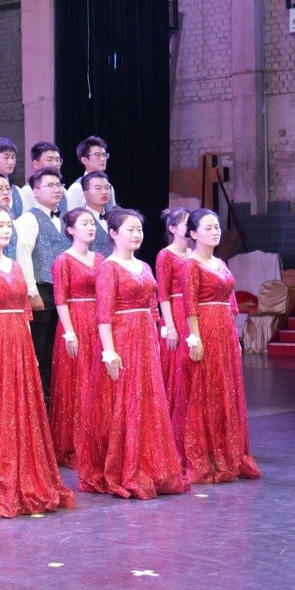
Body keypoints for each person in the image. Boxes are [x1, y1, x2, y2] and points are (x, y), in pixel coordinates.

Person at [0, 203, 74, 517]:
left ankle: (28, 476)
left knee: (22, 408)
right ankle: (0, 480)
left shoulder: (13, 265)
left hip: (18, 343)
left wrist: (30, 353)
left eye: (8, 225)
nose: (6, 230)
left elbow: (25, 312)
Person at [85, 208, 188, 500]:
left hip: (145, 339)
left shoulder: (143, 266)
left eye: (139, 230)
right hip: (122, 338)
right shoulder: (109, 267)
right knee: (125, 400)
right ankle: (125, 466)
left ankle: (150, 463)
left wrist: (158, 335)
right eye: (129, 230)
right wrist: (109, 352)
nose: (136, 235)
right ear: (113, 234)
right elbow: (103, 314)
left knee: (147, 399)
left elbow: (153, 307)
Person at [179, 209, 261, 483]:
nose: (215, 232)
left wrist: (235, 337)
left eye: (216, 227)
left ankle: (230, 451)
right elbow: (189, 305)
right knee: (208, 389)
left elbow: (232, 304)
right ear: (193, 234)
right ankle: (208, 454)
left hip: (224, 332)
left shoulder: (220, 262)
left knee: (227, 388)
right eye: (208, 228)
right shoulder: (190, 265)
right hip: (206, 329)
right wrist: (195, 338)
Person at [49, 208, 104, 469]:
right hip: (76, 320)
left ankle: (99, 438)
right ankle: (75, 442)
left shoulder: (100, 259)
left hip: (98, 320)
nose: (91, 227)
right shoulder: (63, 260)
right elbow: (60, 299)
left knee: (98, 378)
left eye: (92, 223)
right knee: (78, 379)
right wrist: (69, 331)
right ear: (71, 230)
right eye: (84, 223)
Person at [14, 167, 72, 397]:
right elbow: (23, 254)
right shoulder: (29, 219)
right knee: (42, 345)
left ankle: (59, 395)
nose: (56, 189)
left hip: (64, 291)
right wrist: (31, 291)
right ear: (36, 192)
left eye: (58, 185)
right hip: (42, 289)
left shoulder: (67, 218)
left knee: (60, 345)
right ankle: (43, 397)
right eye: (50, 185)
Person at [155, 207, 191, 460]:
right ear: (172, 228)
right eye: (185, 223)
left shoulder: (195, 253)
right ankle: (172, 433)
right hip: (176, 314)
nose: (190, 227)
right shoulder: (165, 255)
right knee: (176, 373)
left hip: (194, 313)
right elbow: (163, 293)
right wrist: (169, 326)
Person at [66, 136, 117, 211]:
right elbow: (71, 216)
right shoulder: (77, 188)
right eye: (97, 155)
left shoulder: (109, 187)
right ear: (84, 160)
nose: (103, 159)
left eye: (104, 155)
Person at [19, 142, 68, 213]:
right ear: (36, 164)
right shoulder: (27, 191)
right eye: (49, 160)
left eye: (57, 160)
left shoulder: (63, 191)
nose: (55, 164)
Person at [80, 171, 115, 256]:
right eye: (98, 188)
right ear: (85, 194)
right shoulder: (79, 220)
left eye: (107, 188)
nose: (104, 192)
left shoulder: (115, 217)